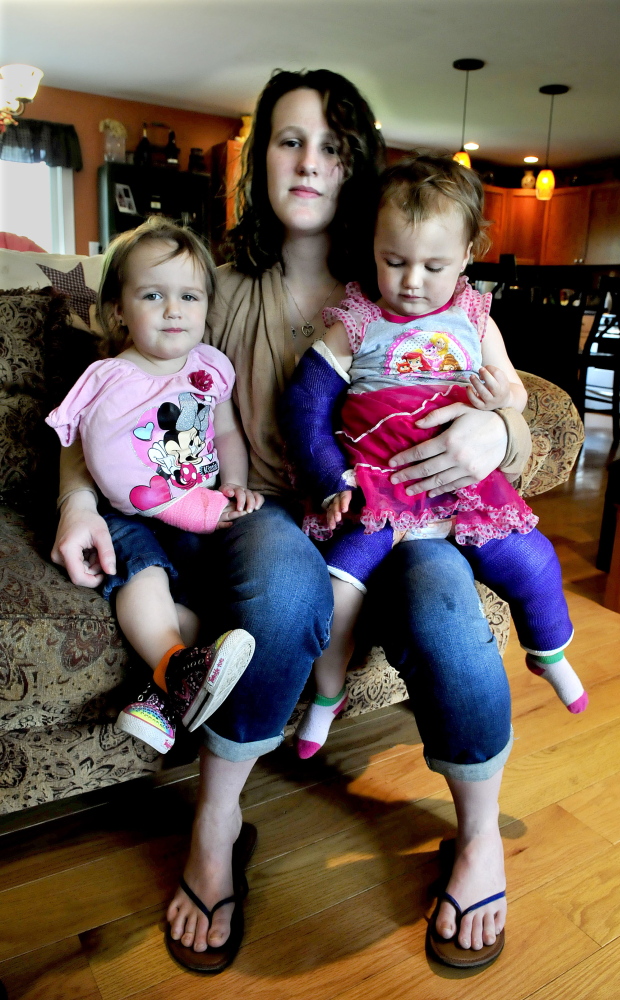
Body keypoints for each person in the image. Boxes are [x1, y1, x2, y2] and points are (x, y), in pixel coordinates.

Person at [52, 69, 534, 974]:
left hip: (407, 520)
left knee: (447, 615)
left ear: (361, 167)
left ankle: (477, 837)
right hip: (270, 514)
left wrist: (496, 429)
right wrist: (78, 497)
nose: (310, 162)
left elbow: (514, 412)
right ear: (257, 159)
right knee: (282, 583)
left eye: (333, 145)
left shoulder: (409, 285)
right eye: (287, 139)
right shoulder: (212, 287)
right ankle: (218, 820)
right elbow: (112, 402)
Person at [283, 156, 587, 762]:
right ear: (372, 248)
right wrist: (328, 478)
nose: (413, 281)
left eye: (434, 265)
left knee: (532, 559)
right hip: (380, 490)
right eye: (394, 261)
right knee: (336, 591)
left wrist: (503, 404)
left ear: (469, 255)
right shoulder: (360, 319)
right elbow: (305, 400)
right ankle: (326, 694)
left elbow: (515, 391)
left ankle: (550, 650)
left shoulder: (474, 316)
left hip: (462, 489)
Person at [47, 218, 260, 754]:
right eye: (153, 295)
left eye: (189, 296)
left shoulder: (210, 367)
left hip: (202, 507)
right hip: (133, 512)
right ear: (120, 309)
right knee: (143, 570)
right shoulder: (112, 378)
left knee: (206, 594)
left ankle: (158, 695)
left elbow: (227, 429)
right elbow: (112, 468)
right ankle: (171, 668)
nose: (174, 310)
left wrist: (234, 481)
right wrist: (184, 507)